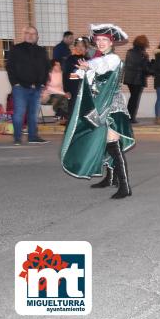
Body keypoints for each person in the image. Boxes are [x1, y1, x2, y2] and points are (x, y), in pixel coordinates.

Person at [60, 23, 135, 199]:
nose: (101, 43)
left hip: (112, 107)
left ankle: (124, 186)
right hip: (98, 105)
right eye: (98, 40)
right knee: (104, 142)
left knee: (112, 144)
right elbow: (74, 76)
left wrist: (88, 69)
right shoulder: (94, 59)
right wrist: (74, 66)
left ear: (111, 42)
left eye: (104, 40)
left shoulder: (113, 59)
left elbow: (103, 73)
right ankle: (110, 178)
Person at [6, 26, 51, 145]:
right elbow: (9, 67)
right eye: (28, 33)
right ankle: (17, 138)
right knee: (19, 114)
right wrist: (15, 83)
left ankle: (33, 137)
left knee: (33, 114)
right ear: (23, 35)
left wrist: (43, 83)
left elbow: (47, 68)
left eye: (33, 33)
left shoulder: (42, 51)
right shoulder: (16, 49)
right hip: (20, 87)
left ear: (37, 36)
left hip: (36, 88)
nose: (31, 35)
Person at [123, 35, 150, 124]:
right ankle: (131, 118)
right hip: (138, 79)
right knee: (134, 99)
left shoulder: (129, 52)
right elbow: (145, 68)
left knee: (132, 98)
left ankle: (129, 117)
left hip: (130, 79)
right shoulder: (143, 54)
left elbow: (129, 65)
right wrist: (151, 69)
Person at [63, 37, 89, 120]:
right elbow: (65, 75)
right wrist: (66, 90)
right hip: (73, 90)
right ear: (75, 47)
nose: (80, 48)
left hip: (85, 90)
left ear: (86, 48)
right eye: (78, 46)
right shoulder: (70, 59)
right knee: (73, 112)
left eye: (82, 46)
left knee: (85, 112)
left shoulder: (89, 60)